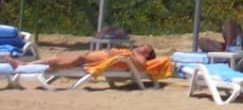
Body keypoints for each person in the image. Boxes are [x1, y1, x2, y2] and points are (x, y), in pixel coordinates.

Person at [12, 44, 155, 71]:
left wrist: (130, 57)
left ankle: (56, 67)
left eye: (144, 47)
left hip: (104, 59)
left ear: (146, 54)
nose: (140, 46)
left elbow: (142, 67)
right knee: (57, 56)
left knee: (79, 58)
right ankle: (24, 66)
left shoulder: (139, 57)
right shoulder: (131, 52)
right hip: (100, 55)